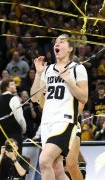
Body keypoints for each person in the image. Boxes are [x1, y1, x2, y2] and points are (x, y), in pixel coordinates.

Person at [30, 34, 88, 180]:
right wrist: (38, 74)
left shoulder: (77, 68)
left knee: (44, 161)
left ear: (70, 48)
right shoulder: (48, 70)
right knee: (57, 170)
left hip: (64, 121)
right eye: (56, 42)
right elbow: (35, 97)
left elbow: (83, 97)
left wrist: (68, 80)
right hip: (47, 123)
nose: (57, 43)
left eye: (62, 42)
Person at [0, 78, 26, 154]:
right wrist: (24, 129)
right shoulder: (14, 99)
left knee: (4, 157)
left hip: (2, 134)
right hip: (14, 133)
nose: (15, 86)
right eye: (12, 84)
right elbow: (20, 118)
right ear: (6, 87)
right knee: (15, 157)